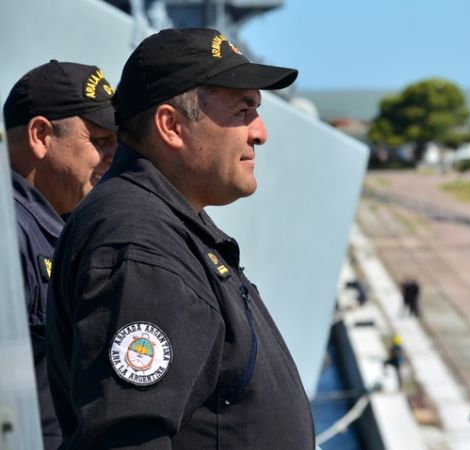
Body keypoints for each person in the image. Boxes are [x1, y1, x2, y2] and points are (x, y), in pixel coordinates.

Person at [45, 28, 315, 449]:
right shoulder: (139, 248)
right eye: (243, 110)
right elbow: (128, 438)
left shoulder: (163, 227)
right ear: (171, 126)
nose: (259, 132)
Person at [3, 60, 117, 450]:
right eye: (100, 141)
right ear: (40, 135)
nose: (112, 158)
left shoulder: (59, 229)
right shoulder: (9, 231)